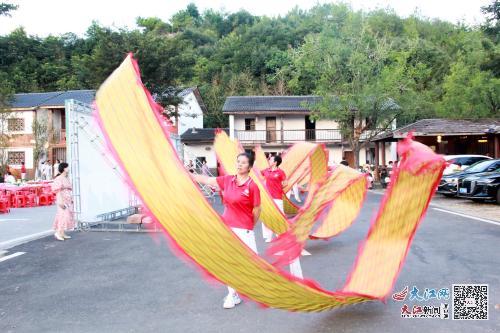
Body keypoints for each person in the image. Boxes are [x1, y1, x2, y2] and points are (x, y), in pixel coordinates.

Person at [191, 153, 261, 309]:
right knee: (230, 261)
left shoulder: (252, 186)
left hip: (245, 229)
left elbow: (257, 209)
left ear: (249, 167)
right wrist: (190, 175)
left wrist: (250, 224)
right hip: (228, 228)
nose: (239, 164)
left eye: (243, 163)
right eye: (238, 162)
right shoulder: (228, 180)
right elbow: (208, 180)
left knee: (253, 263)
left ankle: (251, 288)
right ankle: (232, 294)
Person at [261, 154, 305, 278]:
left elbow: (285, 183)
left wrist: (278, 188)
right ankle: (268, 236)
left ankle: (280, 236)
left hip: (277, 198)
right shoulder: (266, 171)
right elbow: (259, 176)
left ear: (275, 162)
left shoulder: (280, 172)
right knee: (267, 217)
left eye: (271, 159)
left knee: (278, 217)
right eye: (269, 159)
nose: (269, 160)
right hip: (268, 199)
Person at [52, 163, 75, 241]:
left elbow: (68, 189)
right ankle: (58, 232)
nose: (68, 169)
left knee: (66, 216)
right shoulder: (59, 178)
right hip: (62, 199)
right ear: (64, 168)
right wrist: (60, 201)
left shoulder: (66, 178)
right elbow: (58, 191)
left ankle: (62, 233)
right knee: (63, 216)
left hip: (68, 199)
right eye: (67, 167)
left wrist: (71, 199)